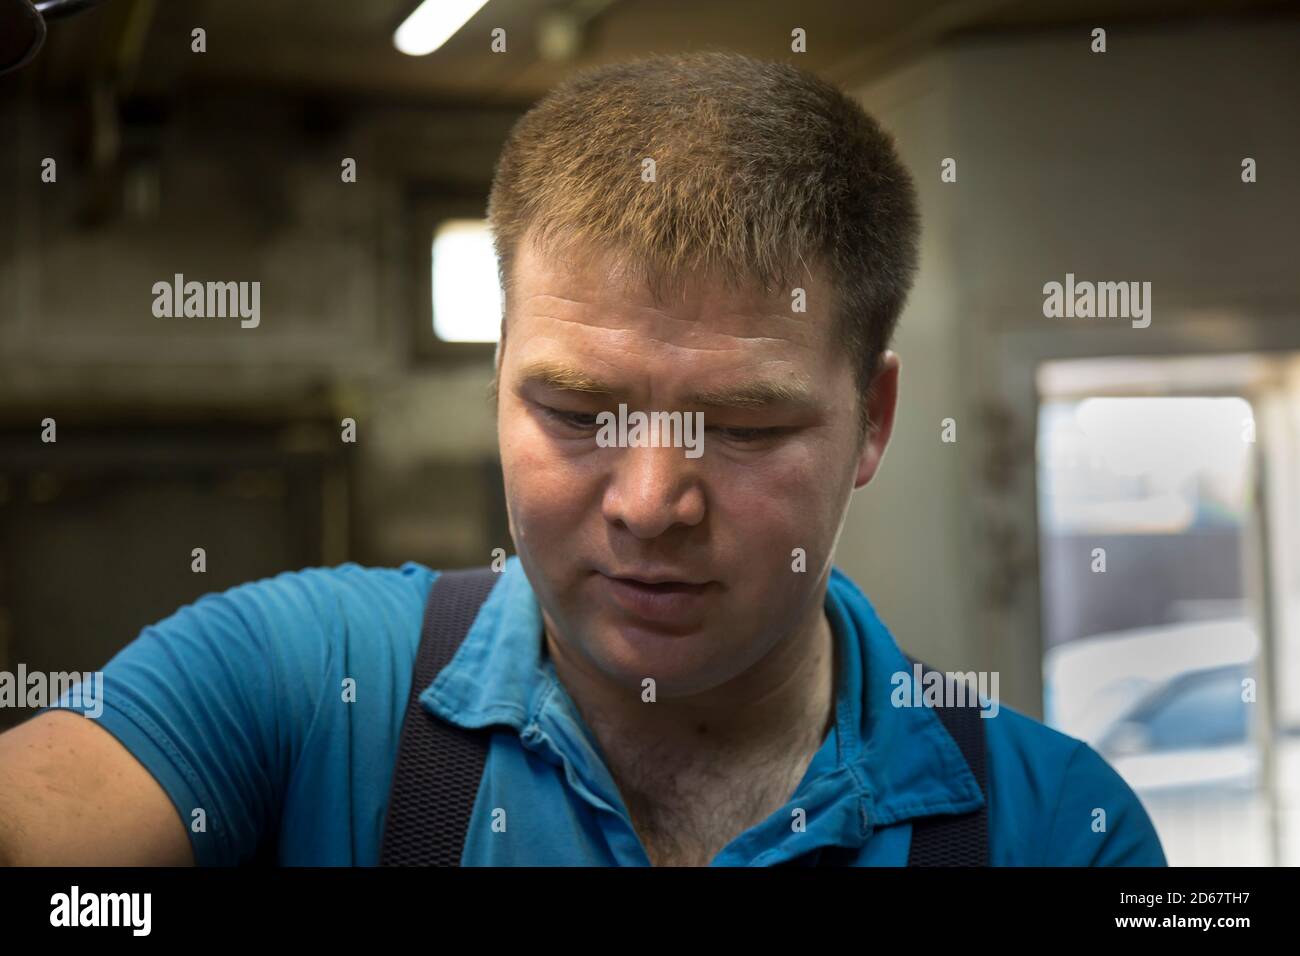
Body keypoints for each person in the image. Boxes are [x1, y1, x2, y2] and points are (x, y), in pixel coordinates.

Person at [0, 51, 1165, 867]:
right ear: (496, 378)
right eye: (573, 408)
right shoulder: (300, 688)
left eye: (745, 424)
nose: (651, 502)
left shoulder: (1056, 831)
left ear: (873, 418)